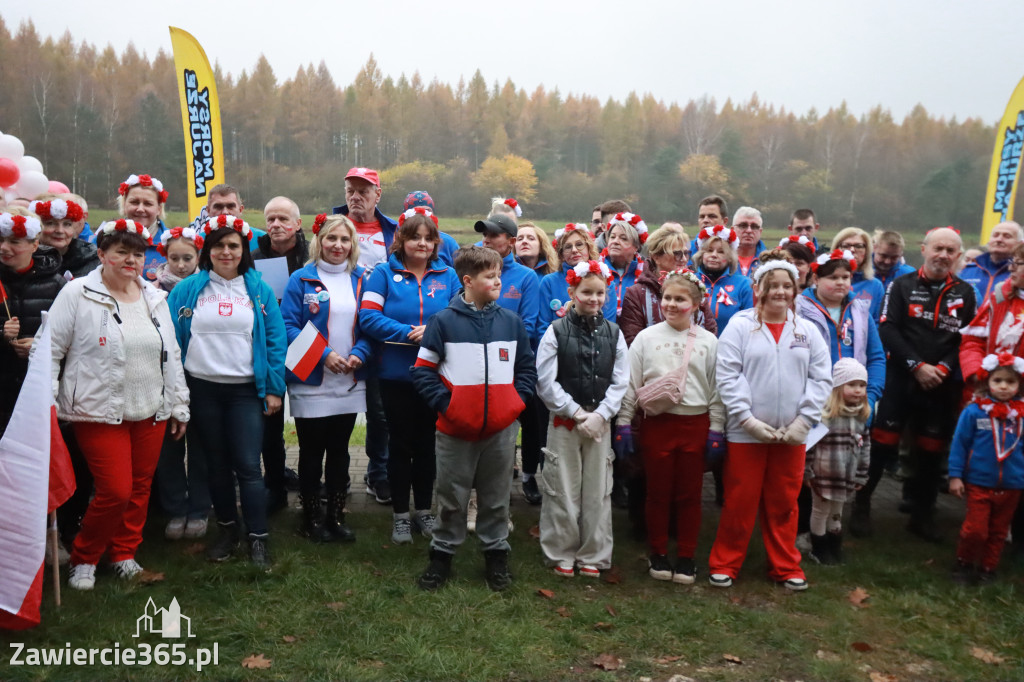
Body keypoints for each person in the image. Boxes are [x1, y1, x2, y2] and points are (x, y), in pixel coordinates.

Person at [47, 218, 189, 590]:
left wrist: (178, 405)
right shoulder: (77, 293)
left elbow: (170, 354)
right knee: (115, 490)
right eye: (122, 252)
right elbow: (51, 350)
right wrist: (46, 397)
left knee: (140, 487)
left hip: (151, 409)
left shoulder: (154, 297)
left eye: (138, 254)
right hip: (97, 410)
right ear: (101, 254)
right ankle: (85, 557)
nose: (131, 260)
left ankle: (124, 553)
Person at [412, 246, 537, 591]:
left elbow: (526, 369)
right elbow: (423, 371)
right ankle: (441, 556)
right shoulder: (443, 321)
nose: (498, 281)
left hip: (500, 430)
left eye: (499, 275)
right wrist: (448, 406)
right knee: (451, 497)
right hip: (454, 431)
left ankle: (496, 557)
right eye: (490, 276)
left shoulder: (511, 323)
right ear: (467, 281)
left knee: (496, 498)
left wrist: (514, 404)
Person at [708, 250, 832, 591]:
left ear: (796, 289)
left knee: (783, 501)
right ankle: (726, 562)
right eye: (772, 285)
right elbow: (728, 375)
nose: (780, 292)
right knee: (740, 499)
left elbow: (821, 378)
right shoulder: (740, 325)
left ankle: (785, 565)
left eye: (786, 286)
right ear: (759, 287)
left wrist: (804, 422)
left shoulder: (807, 330)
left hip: (791, 434)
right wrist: (747, 420)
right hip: (747, 432)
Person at [169, 215, 287, 569]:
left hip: (244, 392)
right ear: (208, 249)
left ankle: (258, 537)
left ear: (243, 249)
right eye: (219, 244)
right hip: (202, 389)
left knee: (249, 466)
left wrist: (274, 389)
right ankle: (227, 531)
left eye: (233, 245)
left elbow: (275, 340)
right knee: (216, 467)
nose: (226, 251)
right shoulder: (187, 289)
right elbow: (172, 341)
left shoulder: (259, 289)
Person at [855, 227, 976, 542]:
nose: (943, 256)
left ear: (958, 256)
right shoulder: (901, 284)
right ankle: (861, 507)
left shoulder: (965, 292)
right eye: (938, 248)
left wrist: (943, 368)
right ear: (924, 249)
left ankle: (923, 515)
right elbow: (888, 329)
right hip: (902, 379)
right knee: (881, 446)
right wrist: (917, 365)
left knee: (931, 451)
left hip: (941, 384)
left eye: (950, 251)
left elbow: (967, 338)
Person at [617, 270, 725, 584]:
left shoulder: (708, 342)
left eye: (680, 299)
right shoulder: (646, 338)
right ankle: (659, 552)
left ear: (697, 304)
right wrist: (624, 422)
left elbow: (717, 389)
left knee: (689, 494)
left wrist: (717, 428)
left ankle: (688, 555)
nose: (672, 304)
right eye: (667, 298)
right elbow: (630, 382)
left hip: (695, 423)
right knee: (658, 492)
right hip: (658, 425)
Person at [360, 207, 460, 544]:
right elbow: (368, 318)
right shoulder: (382, 275)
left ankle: (424, 512)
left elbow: (461, 316)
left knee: (428, 445)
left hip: (435, 376)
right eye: (414, 237)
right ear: (400, 240)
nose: (421, 243)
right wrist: (408, 333)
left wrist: (432, 329)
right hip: (395, 375)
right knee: (399, 446)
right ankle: (400, 516)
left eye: (428, 238)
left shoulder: (449, 276)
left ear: (435, 243)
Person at [281, 213, 371, 543]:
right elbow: (287, 325)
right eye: (331, 238)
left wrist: (359, 353)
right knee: (310, 452)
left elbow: (370, 325)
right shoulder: (301, 279)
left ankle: (334, 517)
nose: (338, 245)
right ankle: (310, 518)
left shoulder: (362, 279)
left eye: (344, 240)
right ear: (319, 241)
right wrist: (324, 354)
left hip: (348, 378)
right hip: (311, 378)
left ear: (352, 245)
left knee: (340, 451)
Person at [535, 260, 628, 578]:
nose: (594, 299)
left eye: (600, 292)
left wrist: (601, 415)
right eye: (587, 292)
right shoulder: (555, 331)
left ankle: (594, 553)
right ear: (572, 291)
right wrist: (575, 412)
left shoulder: (614, 334)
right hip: (565, 422)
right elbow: (546, 380)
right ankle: (561, 551)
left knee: (598, 489)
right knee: (562, 487)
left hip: (598, 425)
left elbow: (620, 380)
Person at [531, 224, 614, 506]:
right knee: (552, 436)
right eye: (568, 246)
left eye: (579, 245)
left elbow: (606, 321)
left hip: (593, 368)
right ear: (560, 252)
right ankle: (552, 493)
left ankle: (589, 501)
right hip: (560, 362)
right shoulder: (547, 283)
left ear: (589, 247)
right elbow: (543, 324)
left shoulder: (601, 279)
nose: (574, 250)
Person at [332, 167, 396, 505]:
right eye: (350, 190)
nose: (356, 197)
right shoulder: (331, 228)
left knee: (379, 410)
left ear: (377, 194)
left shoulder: (393, 232)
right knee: (334, 411)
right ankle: (336, 476)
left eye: (363, 191)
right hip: (337, 330)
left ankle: (378, 472)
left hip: (379, 333)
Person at [252, 196, 309, 513]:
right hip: (268, 350)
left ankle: (310, 483)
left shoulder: (313, 255)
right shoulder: (254, 257)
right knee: (270, 425)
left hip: (306, 346)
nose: (275, 225)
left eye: (283, 219)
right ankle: (274, 484)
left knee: (309, 423)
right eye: (270, 219)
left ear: (297, 224)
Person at [152, 227, 209, 541]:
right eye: (174, 258)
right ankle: (175, 507)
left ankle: (199, 508)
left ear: (198, 257)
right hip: (166, 377)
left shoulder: (206, 288)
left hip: (200, 375)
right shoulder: (153, 289)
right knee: (170, 444)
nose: (181, 264)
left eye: (188, 258)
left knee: (200, 445)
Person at [948, 353, 1024, 584]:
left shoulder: (1021, 415)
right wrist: (955, 476)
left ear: (1019, 384)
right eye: (998, 380)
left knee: (999, 531)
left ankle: (988, 568)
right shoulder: (974, 412)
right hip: (979, 482)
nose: (1003, 386)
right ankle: (964, 562)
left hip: (1012, 484)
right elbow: (959, 444)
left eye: (1010, 382)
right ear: (986, 382)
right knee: (976, 530)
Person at [0, 211, 64, 436]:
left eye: (14, 242)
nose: (4, 248)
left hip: (35, 389)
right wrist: (2, 334)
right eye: (0, 240)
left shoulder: (57, 284)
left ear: (34, 245)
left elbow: (69, 334)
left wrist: (38, 346)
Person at [806, 358, 871, 566]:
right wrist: (806, 471)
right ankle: (819, 548)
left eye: (862, 385)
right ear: (837, 387)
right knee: (820, 510)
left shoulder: (860, 419)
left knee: (837, 512)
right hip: (823, 474)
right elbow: (810, 446)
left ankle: (835, 546)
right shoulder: (825, 416)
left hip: (846, 476)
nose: (858, 390)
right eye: (851, 385)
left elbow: (865, 449)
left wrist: (862, 474)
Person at [693, 225, 754, 335]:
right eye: (709, 250)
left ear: (730, 257)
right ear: (701, 255)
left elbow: (751, 325)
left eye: (721, 252)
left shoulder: (744, 285)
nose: (714, 255)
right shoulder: (690, 281)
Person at [117, 174, 171, 282]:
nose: (140, 209)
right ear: (124, 205)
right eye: (134, 202)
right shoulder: (106, 238)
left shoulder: (172, 242)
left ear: (159, 209)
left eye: (148, 204)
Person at [29, 197, 98, 278]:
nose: (60, 231)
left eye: (67, 224)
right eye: (50, 223)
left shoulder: (90, 259)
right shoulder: (25, 258)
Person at [958, 221, 1023, 302]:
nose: (999, 239)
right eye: (995, 235)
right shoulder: (967, 271)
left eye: (1007, 236)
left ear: (1020, 244)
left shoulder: (1020, 275)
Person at [831, 227, 886, 322]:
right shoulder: (825, 281)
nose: (852, 250)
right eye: (846, 245)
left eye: (859, 246)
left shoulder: (875, 285)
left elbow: (878, 322)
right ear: (836, 249)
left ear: (867, 251)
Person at [602, 212, 648, 316]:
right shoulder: (596, 270)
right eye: (612, 237)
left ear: (636, 247)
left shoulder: (646, 274)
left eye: (623, 238)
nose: (616, 241)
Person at [402, 191, 460, 267]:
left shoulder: (448, 243)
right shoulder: (397, 239)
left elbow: (462, 273)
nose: (423, 215)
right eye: (417, 212)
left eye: (427, 211)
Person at [732, 207, 767, 278]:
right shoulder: (721, 258)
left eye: (754, 227)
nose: (749, 231)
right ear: (733, 230)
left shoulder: (769, 260)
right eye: (743, 225)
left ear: (760, 232)